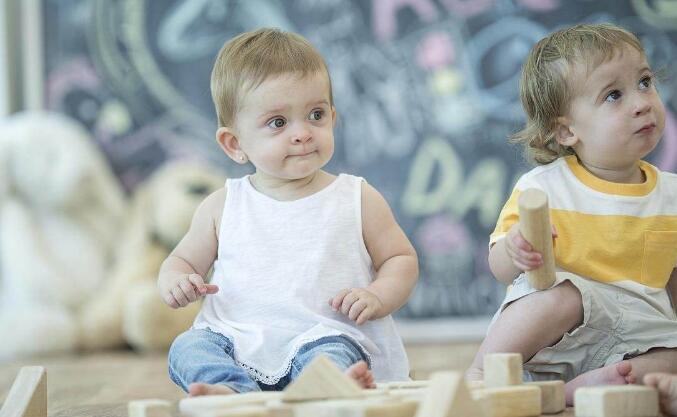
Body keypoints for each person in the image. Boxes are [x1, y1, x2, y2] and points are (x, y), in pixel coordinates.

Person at [157, 28, 418, 396]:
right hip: (235, 340)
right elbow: (181, 261)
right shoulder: (223, 205)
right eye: (278, 123)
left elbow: (400, 258)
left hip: (324, 334)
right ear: (235, 144)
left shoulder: (356, 197)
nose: (302, 133)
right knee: (188, 348)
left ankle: (324, 389)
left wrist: (379, 294)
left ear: (333, 116)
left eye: (315, 115)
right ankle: (231, 393)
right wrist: (177, 281)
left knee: (333, 354)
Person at [466, 23, 677, 405]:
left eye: (645, 82)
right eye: (614, 95)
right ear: (565, 132)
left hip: (635, 337)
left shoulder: (672, 196)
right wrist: (515, 249)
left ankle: (582, 389)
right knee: (561, 297)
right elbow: (499, 267)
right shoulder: (544, 188)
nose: (642, 102)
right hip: (559, 334)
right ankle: (482, 372)